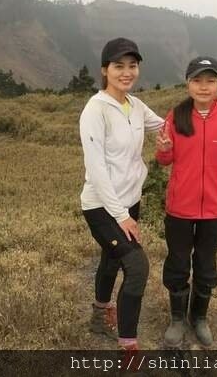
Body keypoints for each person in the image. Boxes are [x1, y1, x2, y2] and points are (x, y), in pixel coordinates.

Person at [155, 56, 217, 347]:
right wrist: (164, 149)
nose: (204, 87)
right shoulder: (176, 115)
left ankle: (200, 317)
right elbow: (164, 160)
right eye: (197, 80)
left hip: (213, 208)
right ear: (188, 83)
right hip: (180, 207)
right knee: (178, 263)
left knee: (206, 265)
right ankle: (177, 319)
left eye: (211, 80)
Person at [79, 37, 164, 353]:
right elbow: (97, 169)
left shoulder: (136, 106)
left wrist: (208, 114)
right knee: (137, 267)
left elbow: (168, 128)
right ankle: (129, 346)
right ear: (105, 70)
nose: (127, 72)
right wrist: (122, 215)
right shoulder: (95, 110)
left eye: (132, 66)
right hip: (102, 206)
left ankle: (99, 316)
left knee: (111, 260)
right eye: (119, 66)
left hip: (129, 200)